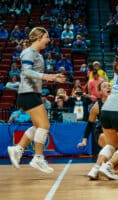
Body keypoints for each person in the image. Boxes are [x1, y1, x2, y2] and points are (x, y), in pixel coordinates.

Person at [7, 27, 66, 173]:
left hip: (32, 93)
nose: (48, 40)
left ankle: (18, 148)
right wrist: (48, 76)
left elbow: (36, 74)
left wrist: (53, 76)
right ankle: (38, 157)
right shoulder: (28, 52)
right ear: (38, 37)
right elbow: (26, 71)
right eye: (46, 37)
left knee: (38, 126)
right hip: (27, 93)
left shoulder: (38, 55)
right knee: (44, 125)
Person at [78, 82, 118, 180]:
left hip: (114, 132)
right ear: (100, 92)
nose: (108, 87)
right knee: (109, 143)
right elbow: (89, 125)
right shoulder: (96, 107)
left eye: (109, 86)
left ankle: (112, 164)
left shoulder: (116, 103)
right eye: (105, 87)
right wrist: (84, 140)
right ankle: (97, 168)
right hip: (100, 132)